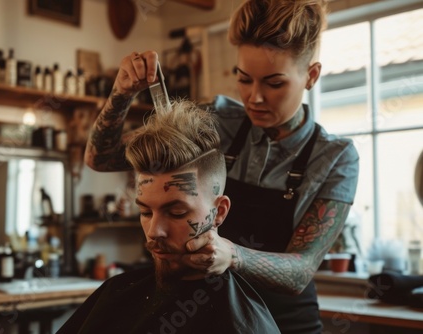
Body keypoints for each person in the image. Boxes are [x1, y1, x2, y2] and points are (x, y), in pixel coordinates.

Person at [84, 0, 359, 333]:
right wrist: (121, 93)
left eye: (274, 83)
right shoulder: (218, 122)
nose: (254, 97)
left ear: (311, 75)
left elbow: (301, 270)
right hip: (208, 317)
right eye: (244, 79)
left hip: (286, 324)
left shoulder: (334, 157)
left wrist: (232, 254)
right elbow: (102, 158)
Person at [58, 100, 279, 333]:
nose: (154, 231)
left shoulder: (243, 323)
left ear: (219, 212)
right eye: (145, 211)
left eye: (176, 212)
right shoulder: (116, 293)